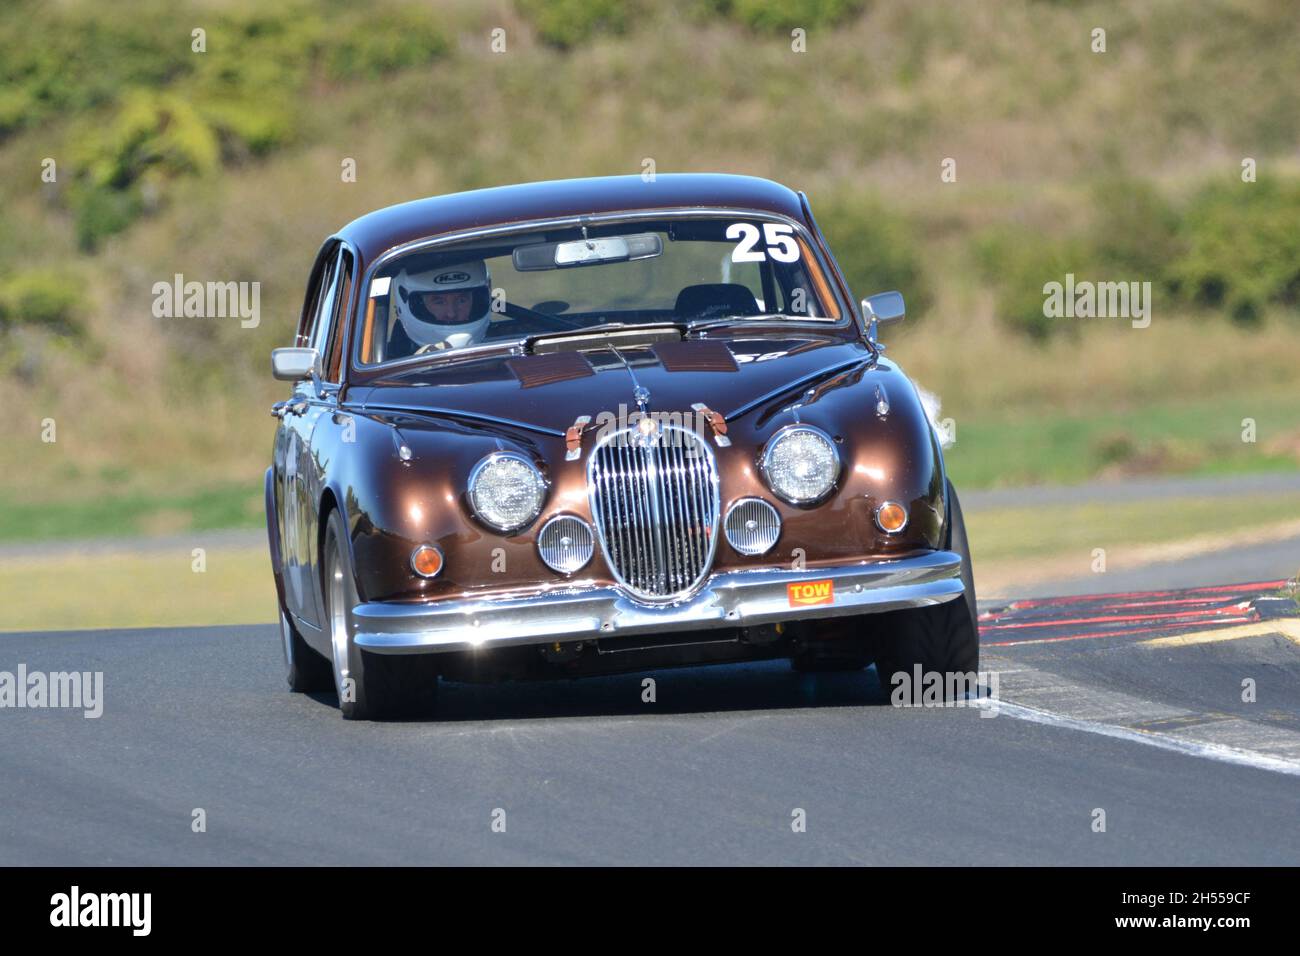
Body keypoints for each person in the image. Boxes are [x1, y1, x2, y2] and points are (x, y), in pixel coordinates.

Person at [390, 259, 492, 356]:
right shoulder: (387, 365)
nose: (451, 314)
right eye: (439, 302)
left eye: (462, 300)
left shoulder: (504, 347)